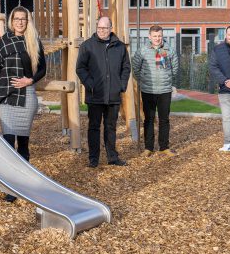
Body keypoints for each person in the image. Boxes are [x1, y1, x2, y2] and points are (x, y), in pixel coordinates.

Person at [0, 6, 46, 201]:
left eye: (23, 19)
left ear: (28, 21)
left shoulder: (33, 41)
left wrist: (29, 80)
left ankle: (25, 183)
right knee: (7, 143)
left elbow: (42, 69)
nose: (20, 22)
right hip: (6, 97)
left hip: (27, 95)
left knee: (23, 143)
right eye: (16, 19)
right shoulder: (4, 41)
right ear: (11, 21)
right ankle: (10, 187)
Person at [76, 16, 131, 168]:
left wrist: (121, 85)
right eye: (99, 28)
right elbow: (80, 68)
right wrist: (89, 84)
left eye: (105, 28)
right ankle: (93, 159)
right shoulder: (87, 46)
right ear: (96, 28)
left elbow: (126, 67)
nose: (102, 31)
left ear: (111, 28)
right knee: (94, 127)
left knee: (111, 127)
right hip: (95, 94)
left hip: (113, 94)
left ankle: (112, 157)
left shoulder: (119, 46)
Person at [132, 25, 179, 157]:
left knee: (164, 119)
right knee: (149, 119)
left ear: (162, 36)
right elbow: (135, 67)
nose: (157, 38)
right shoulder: (143, 50)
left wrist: (169, 79)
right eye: (155, 36)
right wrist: (143, 80)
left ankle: (164, 147)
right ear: (149, 37)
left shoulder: (169, 50)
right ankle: (148, 147)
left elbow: (175, 67)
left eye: (159, 36)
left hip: (164, 90)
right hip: (148, 90)